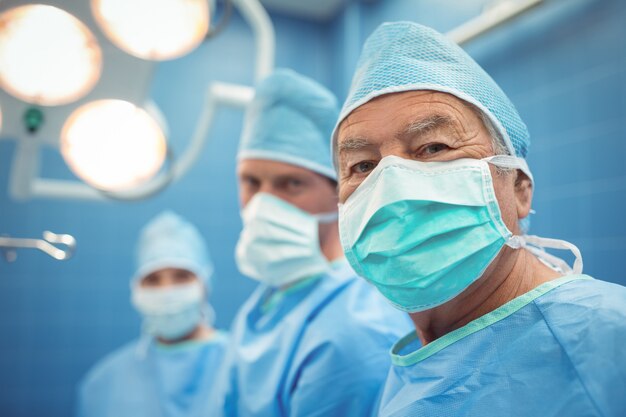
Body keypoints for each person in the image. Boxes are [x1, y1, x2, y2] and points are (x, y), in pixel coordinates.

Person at [332, 21, 626, 417]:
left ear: (520, 187)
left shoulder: (608, 340)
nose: (391, 189)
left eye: (434, 147)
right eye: (363, 165)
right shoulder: (424, 359)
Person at [218, 68, 412, 417]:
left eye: (291, 184)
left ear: (338, 192)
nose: (263, 202)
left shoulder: (357, 324)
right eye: (250, 181)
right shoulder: (269, 303)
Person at [77, 211, 227, 417]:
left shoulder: (240, 367)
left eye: (181, 277)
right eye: (153, 279)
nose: (167, 292)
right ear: (136, 289)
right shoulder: (104, 383)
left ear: (205, 283)